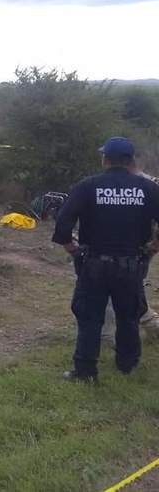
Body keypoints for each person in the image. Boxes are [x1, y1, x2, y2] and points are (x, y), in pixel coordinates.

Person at [52, 136, 159, 382]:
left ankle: (85, 371)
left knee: (90, 318)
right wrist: (153, 247)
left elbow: (63, 221)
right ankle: (127, 365)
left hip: (94, 265)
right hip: (132, 265)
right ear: (130, 160)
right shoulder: (148, 188)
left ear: (106, 159)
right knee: (129, 316)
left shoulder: (89, 186)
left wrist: (72, 248)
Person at [102, 157, 159, 341]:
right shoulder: (149, 183)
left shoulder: (143, 185)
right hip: (141, 246)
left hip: (136, 247)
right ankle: (151, 324)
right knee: (131, 286)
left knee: (119, 287)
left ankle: (109, 334)